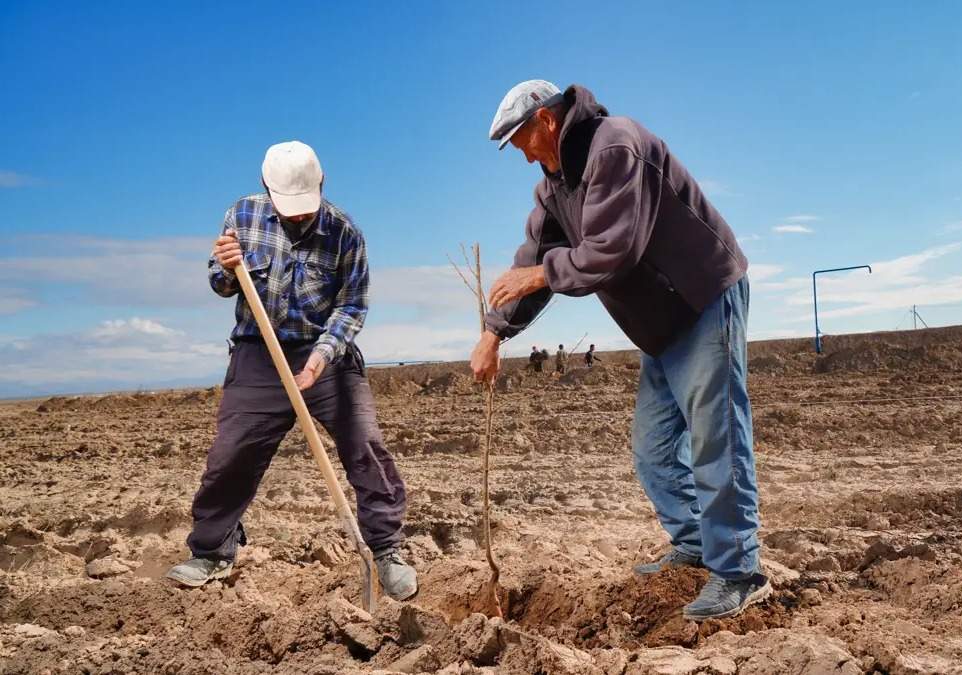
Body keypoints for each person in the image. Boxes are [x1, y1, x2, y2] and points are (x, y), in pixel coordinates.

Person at [470, 81, 767, 620]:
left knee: (715, 441)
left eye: (521, 141)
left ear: (548, 122)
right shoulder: (554, 185)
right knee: (652, 451)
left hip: (701, 299)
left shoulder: (615, 146)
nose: (521, 154)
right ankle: (697, 544)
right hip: (659, 323)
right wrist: (495, 333)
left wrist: (538, 274)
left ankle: (738, 571)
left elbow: (613, 252)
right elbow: (533, 261)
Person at [166, 141, 417, 600]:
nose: (298, 217)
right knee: (231, 455)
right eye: (289, 209)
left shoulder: (345, 233)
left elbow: (352, 306)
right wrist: (223, 268)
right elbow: (220, 284)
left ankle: (385, 549)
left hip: (327, 356)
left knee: (366, 445)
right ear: (266, 187)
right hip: (258, 354)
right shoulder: (241, 216)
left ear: (322, 184)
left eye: (305, 208)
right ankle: (211, 551)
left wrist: (321, 358)